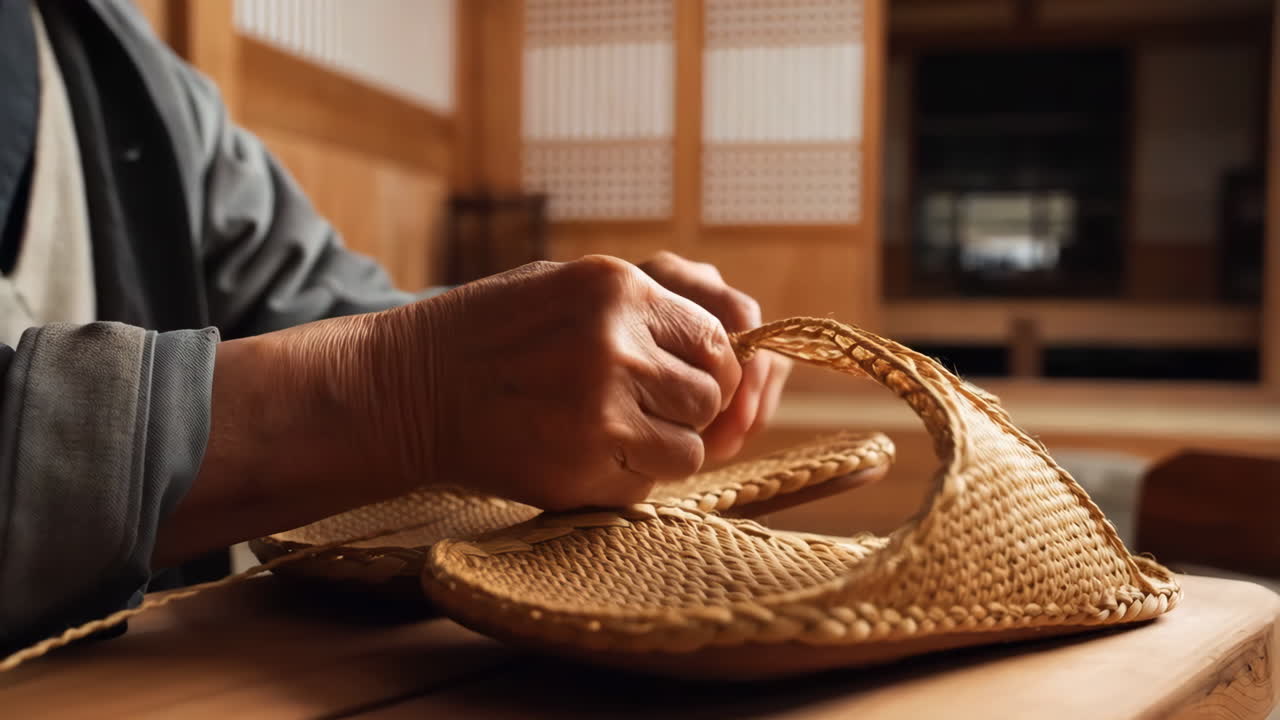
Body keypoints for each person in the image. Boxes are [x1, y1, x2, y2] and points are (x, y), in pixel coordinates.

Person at [0, 0, 792, 651]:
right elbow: (385, 363)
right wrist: (406, 392)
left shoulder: (122, 66)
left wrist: (554, 340)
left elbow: (317, 301)